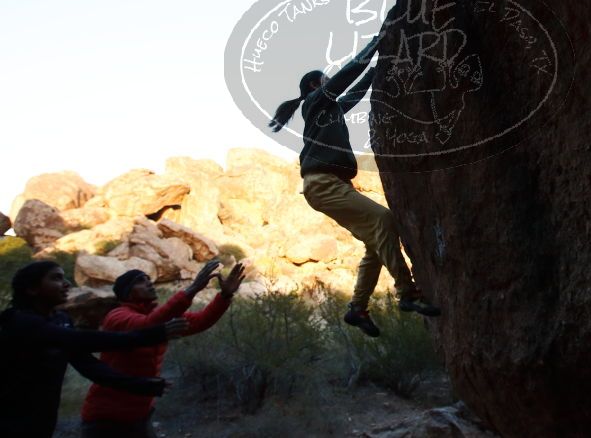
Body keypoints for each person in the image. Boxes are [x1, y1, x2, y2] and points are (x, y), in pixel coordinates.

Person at [269, 32, 441, 337]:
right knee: (385, 220)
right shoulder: (315, 102)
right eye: (324, 80)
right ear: (314, 85)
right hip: (323, 184)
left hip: (332, 186)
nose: (328, 82)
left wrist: (378, 68)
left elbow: (354, 91)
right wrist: (375, 45)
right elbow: (346, 77)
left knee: (376, 242)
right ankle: (408, 294)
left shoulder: (330, 109)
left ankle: (357, 309)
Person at [0, 260, 188, 438]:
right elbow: (82, 340)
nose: (66, 284)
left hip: (42, 419)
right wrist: (153, 334)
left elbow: (88, 365)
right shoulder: (19, 322)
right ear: (32, 289)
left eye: (64, 277)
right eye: (56, 278)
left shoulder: (61, 320)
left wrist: (137, 384)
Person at [80, 260, 245, 438]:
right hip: (106, 418)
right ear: (127, 293)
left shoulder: (158, 315)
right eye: (141, 281)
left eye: (148, 279)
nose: (149, 283)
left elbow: (200, 321)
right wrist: (194, 288)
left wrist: (225, 296)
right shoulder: (117, 316)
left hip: (139, 415)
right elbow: (147, 326)